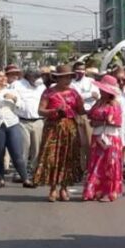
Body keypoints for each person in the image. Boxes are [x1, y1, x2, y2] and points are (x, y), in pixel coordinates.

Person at [33, 65, 85, 202]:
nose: (67, 80)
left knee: (68, 158)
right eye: (64, 77)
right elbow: (40, 111)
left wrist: (83, 105)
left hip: (70, 129)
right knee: (52, 158)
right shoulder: (48, 92)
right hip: (53, 128)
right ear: (58, 78)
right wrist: (54, 111)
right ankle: (53, 189)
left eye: (69, 77)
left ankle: (64, 188)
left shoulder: (74, 93)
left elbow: (81, 111)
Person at [0, 68, 31, 189]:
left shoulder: (12, 91)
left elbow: (23, 107)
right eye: (0, 76)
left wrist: (14, 99)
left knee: (17, 153)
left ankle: (25, 179)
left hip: (11, 124)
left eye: (4, 76)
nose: (3, 78)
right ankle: (0, 179)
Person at [83, 75, 124, 202]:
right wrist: (96, 122)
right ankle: (96, 190)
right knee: (96, 164)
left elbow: (117, 123)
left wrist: (100, 122)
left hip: (110, 137)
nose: (101, 91)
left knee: (109, 165)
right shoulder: (98, 102)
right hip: (97, 137)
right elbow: (90, 118)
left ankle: (110, 192)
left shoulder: (115, 104)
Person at [9, 65, 45, 181]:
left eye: (38, 76)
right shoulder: (17, 85)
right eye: (35, 76)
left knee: (37, 148)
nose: (37, 78)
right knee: (23, 148)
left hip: (38, 120)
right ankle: (21, 172)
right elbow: (12, 100)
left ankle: (35, 172)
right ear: (28, 75)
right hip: (22, 121)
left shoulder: (41, 86)